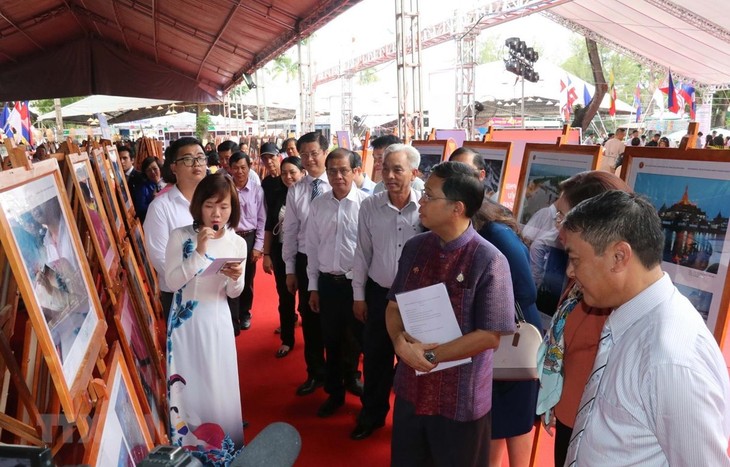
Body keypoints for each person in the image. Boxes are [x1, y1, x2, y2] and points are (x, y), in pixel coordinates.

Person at [560, 190, 730, 466]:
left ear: (619, 257)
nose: (570, 271)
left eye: (576, 259)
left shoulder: (670, 358)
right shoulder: (633, 320)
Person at [386, 161, 516, 466]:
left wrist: (431, 357)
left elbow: (490, 336)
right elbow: (393, 306)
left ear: (456, 208)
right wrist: (398, 343)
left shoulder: (489, 259)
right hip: (411, 391)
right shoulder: (416, 248)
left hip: (460, 402)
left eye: (430, 196)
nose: (421, 201)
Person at [534, 171, 632, 467]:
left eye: (562, 216)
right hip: (569, 412)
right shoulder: (581, 276)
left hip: (594, 428)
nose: (557, 224)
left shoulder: (612, 293)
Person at [165, 173, 247, 464]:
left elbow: (235, 293)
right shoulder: (180, 236)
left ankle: (223, 450)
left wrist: (235, 278)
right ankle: (188, 451)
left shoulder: (237, 244)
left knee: (218, 382)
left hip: (217, 321)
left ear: (232, 208)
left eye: (224, 207)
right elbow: (172, 282)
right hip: (185, 324)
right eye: (210, 205)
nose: (217, 213)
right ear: (199, 205)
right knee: (189, 385)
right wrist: (199, 252)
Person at [351, 143, 423, 440]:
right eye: (385, 168)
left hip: (418, 301)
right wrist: (358, 295)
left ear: (414, 172)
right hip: (379, 295)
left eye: (398, 169)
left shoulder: (427, 209)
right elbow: (361, 253)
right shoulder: (370, 205)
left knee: (418, 362)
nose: (390, 175)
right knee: (376, 359)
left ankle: (413, 426)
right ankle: (372, 415)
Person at [306, 148, 370, 418]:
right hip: (328, 285)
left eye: (344, 170)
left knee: (358, 339)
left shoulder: (367, 204)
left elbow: (370, 251)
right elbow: (311, 247)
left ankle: (354, 380)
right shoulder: (318, 204)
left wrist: (361, 294)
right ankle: (334, 392)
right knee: (330, 340)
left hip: (357, 286)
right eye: (332, 171)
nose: (338, 176)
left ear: (356, 171)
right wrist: (313, 286)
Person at [283, 132, 331, 396]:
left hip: (335, 259)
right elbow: (289, 231)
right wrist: (290, 269)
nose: (310, 159)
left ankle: (346, 373)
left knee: (339, 319)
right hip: (305, 259)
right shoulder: (296, 190)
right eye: (304, 154)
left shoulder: (338, 183)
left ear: (325, 152)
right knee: (310, 318)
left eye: (314, 153)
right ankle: (316, 373)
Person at [144, 137, 207, 319]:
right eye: (188, 159)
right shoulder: (160, 207)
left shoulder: (212, 202)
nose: (196, 163)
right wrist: (194, 279)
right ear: (173, 167)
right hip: (178, 294)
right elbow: (160, 258)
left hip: (211, 290)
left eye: (200, 157)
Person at [263, 156, 304, 358]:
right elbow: (269, 226)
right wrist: (267, 254)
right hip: (281, 254)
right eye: (284, 173)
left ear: (302, 173)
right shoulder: (278, 195)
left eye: (292, 172)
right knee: (285, 296)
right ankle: (287, 339)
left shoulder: (310, 196)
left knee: (306, 297)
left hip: (305, 255)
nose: (288, 176)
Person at [228, 151, 265, 332]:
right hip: (230, 238)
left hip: (249, 238)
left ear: (249, 168)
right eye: (235, 168)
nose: (240, 171)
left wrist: (258, 246)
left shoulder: (257, 190)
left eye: (243, 167)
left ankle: (245, 313)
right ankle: (232, 319)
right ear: (230, 169)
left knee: (247, 278)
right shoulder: (226, 189)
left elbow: (261, 220)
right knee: (230, 276)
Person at [131, 156, 165, 223]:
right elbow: (140, 209)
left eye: (155, 169)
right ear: (145, 173)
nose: (152, 172)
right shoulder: (142, 188)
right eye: (148, 170)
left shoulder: (167, 182)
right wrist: (153, 202)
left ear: (159, 168)